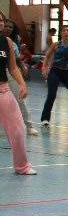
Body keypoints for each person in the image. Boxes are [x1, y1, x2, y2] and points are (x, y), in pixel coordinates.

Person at [0, 16, 37, 175]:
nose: (0, 23)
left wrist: (23, 84)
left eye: (1, 20)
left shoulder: (7, 41)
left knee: (18, 129)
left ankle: (22, 166)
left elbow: (13, 68)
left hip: (3, 89)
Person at [40, 24, 68, 126]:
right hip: (55, 71)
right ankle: (45, 118)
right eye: (64, 30)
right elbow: (46, 56)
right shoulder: (56, 45)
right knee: (51, 94)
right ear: (61, 33)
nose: (66, 32)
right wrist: (44, 68)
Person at [2, 19, 39, 136]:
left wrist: (23, 68)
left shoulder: (11, 43)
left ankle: (29, 126)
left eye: (10, 27)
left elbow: (16, 61)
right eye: (6, 26)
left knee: (20, 99)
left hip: (9, 72)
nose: (7, 28)